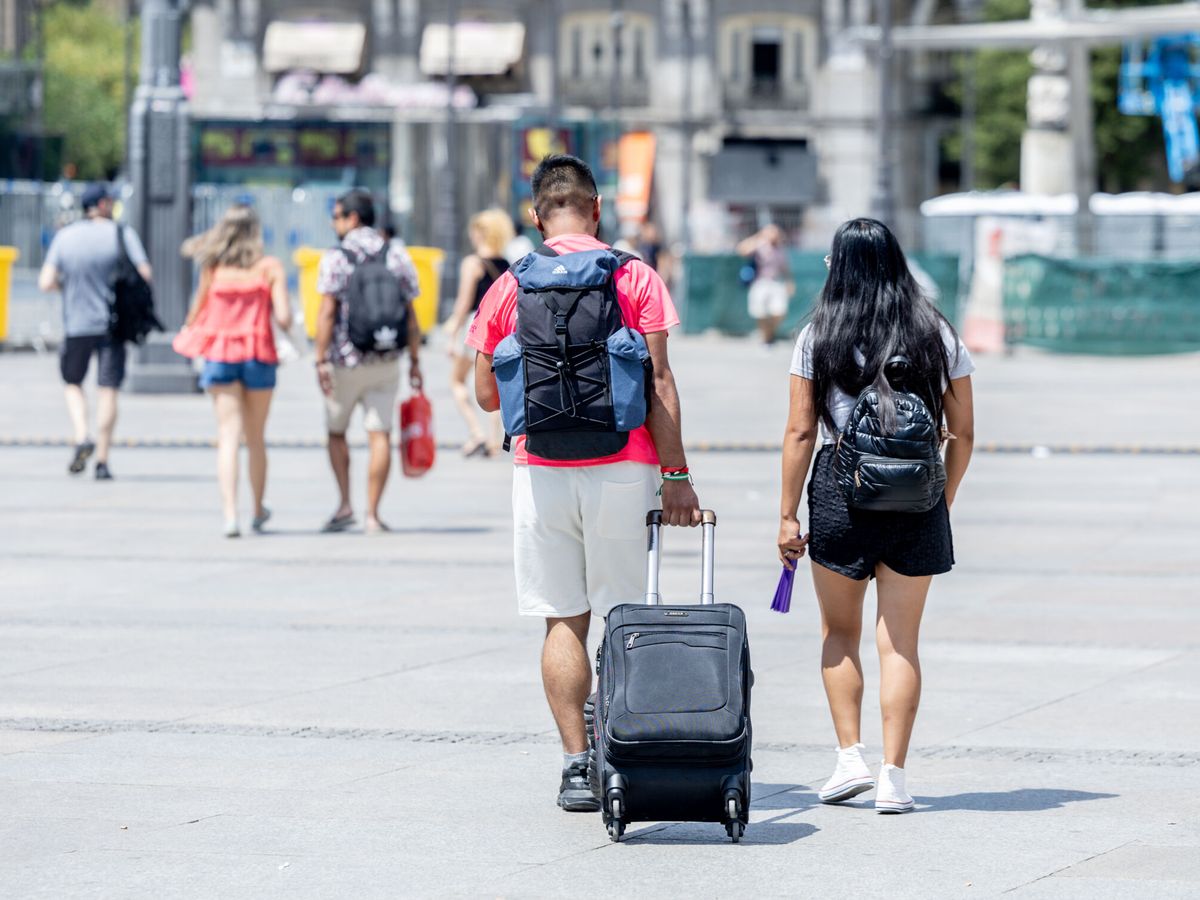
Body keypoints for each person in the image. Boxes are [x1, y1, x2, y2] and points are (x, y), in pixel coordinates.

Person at [469, 154, 701, 813]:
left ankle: (576, 765)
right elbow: (659, 385)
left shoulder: (511, 283)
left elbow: (487, 395)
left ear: (536, 216)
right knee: (626, 619)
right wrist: (677, 476)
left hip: (541, 470)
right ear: (598, 209)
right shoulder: (634, 275)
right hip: (624, 467)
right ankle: (622, 753)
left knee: (561, 620)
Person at [777, 218, 975, 814]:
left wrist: (787, 515)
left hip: (841, 492)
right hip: (917, 497)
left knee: (840, 633)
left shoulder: (819, 334)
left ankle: (848, 760)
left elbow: (800, 431)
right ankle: (894, 777)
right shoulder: (936, 332)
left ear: (838, 265)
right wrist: (943, 499)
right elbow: (963, 433)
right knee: (901, 645)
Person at [174, 206, 292, 537]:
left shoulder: (214, 268)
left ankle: (230, 515)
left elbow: (196, 311)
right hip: (258, 353)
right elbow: (283, 317)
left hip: (221, 354)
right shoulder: (269, 268)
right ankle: (257, 508)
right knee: (256, 438)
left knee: (227, 435)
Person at [315, 189, 421, 535]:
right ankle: (372, 515)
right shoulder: (397, 254)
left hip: (345, 362)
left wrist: (319, 360)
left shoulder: (336, 256)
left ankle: (345, 504)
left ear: (352, 218)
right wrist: (416, 361)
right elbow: (411, 314)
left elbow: (327, 312)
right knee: (380, 435)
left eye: (337, 216)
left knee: (336, 432)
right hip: (387, 358)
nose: (334, 223)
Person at [38, 183, 152, 480]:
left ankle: (81, 434)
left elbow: (46, 281)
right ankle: (102, 459)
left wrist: (69, 287)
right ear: (103, 204)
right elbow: (145, 274)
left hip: (77, 323)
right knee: (108, 390)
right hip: (113, 324)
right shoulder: (122, 233)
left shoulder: (66, 237)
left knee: (72, 381)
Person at [441, 210, 514, 457]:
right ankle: (494, 441)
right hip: (500, 326)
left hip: (476, 324)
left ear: (481, 233)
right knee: (495, 384)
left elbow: (463, 304)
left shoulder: (472, 263)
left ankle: (476, 432)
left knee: (457, 381)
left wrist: (452, 335)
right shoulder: (506, 263)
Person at [736, 223, 793, 347]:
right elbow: (741, 249)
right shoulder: (759, 245)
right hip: (760, 282)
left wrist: (789, 282)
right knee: (760, 312)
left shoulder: (780, 249)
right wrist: (759, 236)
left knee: (779, 311)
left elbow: (785, 268)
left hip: (776, 282)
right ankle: (767, 338)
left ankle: (769, 334)